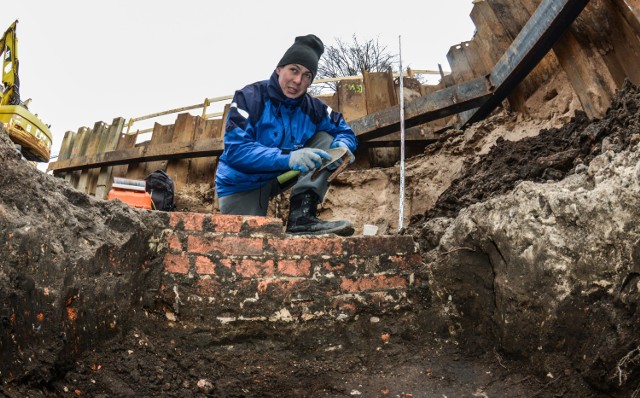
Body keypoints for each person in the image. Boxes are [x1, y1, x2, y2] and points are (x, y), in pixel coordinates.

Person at [215, 34, 358, 236]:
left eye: (307, 75)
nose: (298, 80)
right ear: (279, 69)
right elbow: (237, 151)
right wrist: (288, 158)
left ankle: (302, 217)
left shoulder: (314, 108)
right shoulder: (250, 97)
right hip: (242, 183)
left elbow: (344, 130)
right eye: (294, 70)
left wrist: (343, 148)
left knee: (327, 138)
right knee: (249, 244)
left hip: (281, 177)